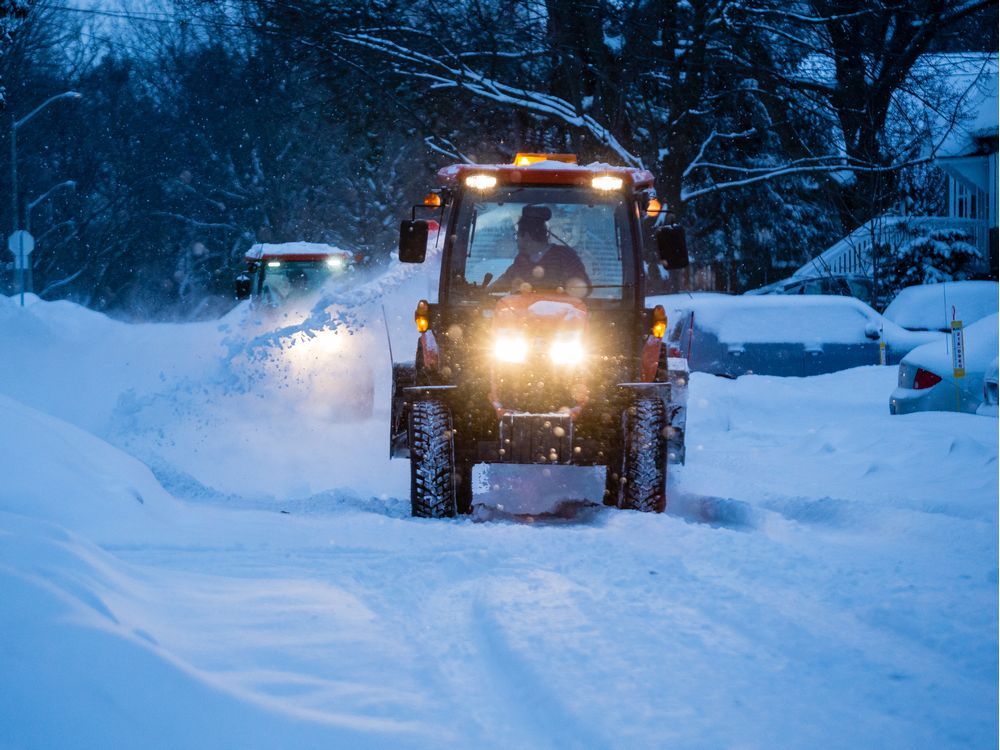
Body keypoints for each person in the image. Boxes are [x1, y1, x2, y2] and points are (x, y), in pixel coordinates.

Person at [491, 205, 592, 297]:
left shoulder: (564, 256)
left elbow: (582, 287)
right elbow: (506, 280)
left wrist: (570, 288)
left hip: (560, 311)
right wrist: (486, 291)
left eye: (518, 235)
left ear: (526, 235)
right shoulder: (522, 260)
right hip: (523, 311)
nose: (517, 240)